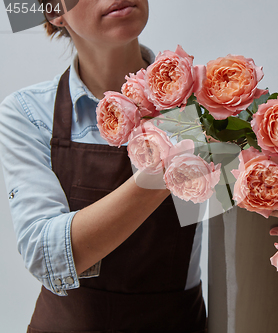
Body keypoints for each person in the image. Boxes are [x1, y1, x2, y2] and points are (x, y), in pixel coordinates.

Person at [0, 1, 206, 332]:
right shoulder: (27, 113)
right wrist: (160, 175)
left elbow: (234, 231)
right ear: (55, 12)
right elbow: (45, 254)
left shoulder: (204, 104)